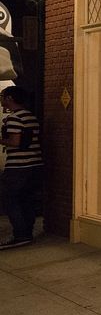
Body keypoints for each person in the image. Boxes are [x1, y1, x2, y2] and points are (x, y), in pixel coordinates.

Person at [0, 86, 43, 249]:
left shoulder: (14, 118)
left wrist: (1, 140)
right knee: (27, 199)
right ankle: (27, 233)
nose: (1, 99)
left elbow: (15, 142)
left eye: (2, 96)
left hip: (18, 166)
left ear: (10, 98)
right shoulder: (30, 116)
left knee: (9, 199)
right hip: (35, 164)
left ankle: (20, 234)